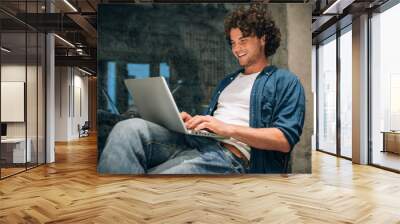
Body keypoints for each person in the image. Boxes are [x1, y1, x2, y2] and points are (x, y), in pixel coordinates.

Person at [98, 4, 305, 174]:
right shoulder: (228, 81)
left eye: (243, 40)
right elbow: (215, 121)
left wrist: (228, 129)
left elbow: (284, 140)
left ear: (263, 38)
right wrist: (194, 123)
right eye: (233, 42)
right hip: (197, 141)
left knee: (158, 177)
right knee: (128, 129)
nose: (236, 49)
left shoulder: (285, 81)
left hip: (231, 157)